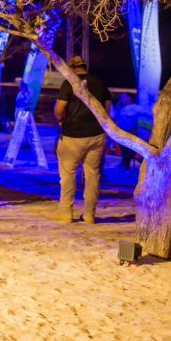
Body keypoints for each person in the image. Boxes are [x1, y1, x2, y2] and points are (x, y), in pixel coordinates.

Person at [53, 56, 112, 224]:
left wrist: (60, 119)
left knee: (68, 174)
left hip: (72, 135)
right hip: (96, 135)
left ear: (72, 69)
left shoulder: (69, 84)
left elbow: (59, 110)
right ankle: (89, 214)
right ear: (85, 67)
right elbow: (107, 110)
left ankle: (65, 212)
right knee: (93, 175)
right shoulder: (100, 83)